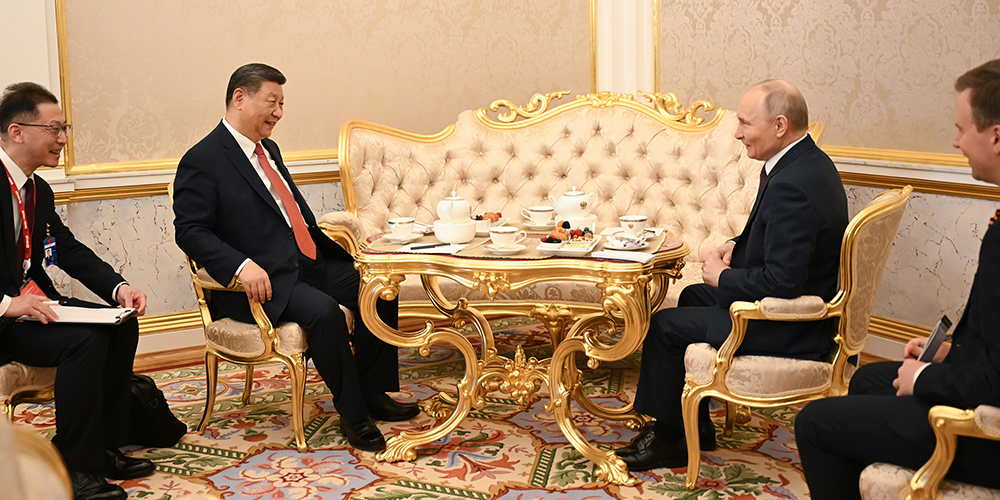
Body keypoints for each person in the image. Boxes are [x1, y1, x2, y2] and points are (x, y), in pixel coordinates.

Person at [173, 63, 419, 453]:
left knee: (380, 289)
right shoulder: (203, 159)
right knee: (325, 313)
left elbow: (290, 215)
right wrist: (241, 266)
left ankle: (372, 392)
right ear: (240, 98)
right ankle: (354, 414)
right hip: (262, 279)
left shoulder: (268, 149)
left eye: (282, 104)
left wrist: (345, 245)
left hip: (306, 261)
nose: (279, 113)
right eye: (272, 102)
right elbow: (190, 231)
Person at [616, 80, 849, 471]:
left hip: (789, 325)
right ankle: (697, 425)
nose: (738, 133)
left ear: (779, 125)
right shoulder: (805, 163)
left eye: (745, 123)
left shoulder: (792, 184)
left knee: (665, 327)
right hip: (794, 306)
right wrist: (735, 246)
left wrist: (723, 277)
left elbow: (783, 283)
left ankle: (669, 438)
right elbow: (784, 239)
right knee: (692, 296)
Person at [795, 60, 1000, 499]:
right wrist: (948, 353)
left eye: (961, 129)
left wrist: (924, 379)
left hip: (989, 433)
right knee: (868, 380)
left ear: (996, 137)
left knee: (814, 423)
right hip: (984, 384)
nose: (955, 141)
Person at [0, 83, 153, 500]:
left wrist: (118, 288)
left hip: (35, 304)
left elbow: (66, 249)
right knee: (84, 341)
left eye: (64, 128)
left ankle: (105, 447)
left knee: (121, 323)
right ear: (17, 132)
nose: (63, 138)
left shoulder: (37, 189)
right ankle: (75, 465)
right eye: (54, 128)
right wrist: (9, 304)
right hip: (4, 317)